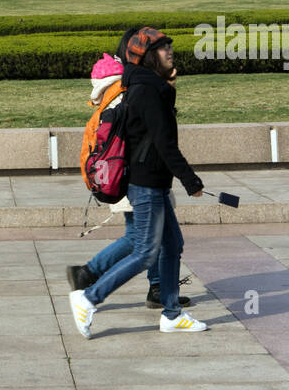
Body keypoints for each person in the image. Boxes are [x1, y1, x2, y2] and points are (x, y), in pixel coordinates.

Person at [68, 27, 207, 338]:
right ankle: (89, 298)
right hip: (145, 185)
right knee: (146, 251)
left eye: (168, 46)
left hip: (155, 181)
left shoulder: (151, 86)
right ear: (146, 58)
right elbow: (164, 143)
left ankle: (172, 314)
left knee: (172, 245)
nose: (169, 51)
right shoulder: (146, 91)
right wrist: (190, 180)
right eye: (161, 48)